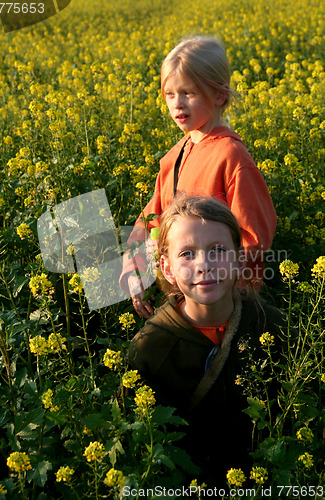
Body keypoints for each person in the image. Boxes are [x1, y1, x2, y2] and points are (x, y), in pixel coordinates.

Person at [129, 195, 287, 485]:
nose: (204, 264)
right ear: (166, 268)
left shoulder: (274, 325)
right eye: (187, 254)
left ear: (239, 258)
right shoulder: (151, 347)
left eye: (217, 250)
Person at [120, 35, 277, 318]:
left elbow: (254, 237)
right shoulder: (174, 156)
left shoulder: (231, 157)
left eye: (188, 93)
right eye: (170, 94)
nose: (177, 104)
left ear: (219, 95)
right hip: (183, 298)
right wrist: (136, 267)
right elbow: (150, 220)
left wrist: (211, 272)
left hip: (225, 303)